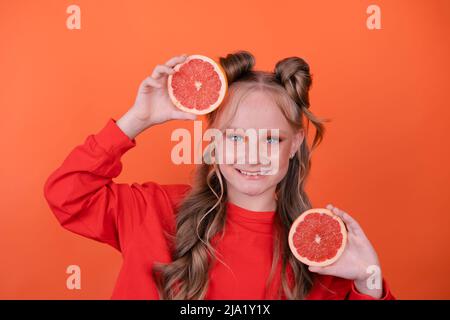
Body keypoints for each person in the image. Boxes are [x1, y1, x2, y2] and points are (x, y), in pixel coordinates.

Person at [44, 50, 395, 300]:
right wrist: (139, 118)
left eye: (271, 139)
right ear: (212, 141)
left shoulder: (317, 251)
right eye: (236, 137)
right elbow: (67, 196)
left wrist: (369, 282)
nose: (252, 155)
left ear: (295, 144)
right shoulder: (153, 210)